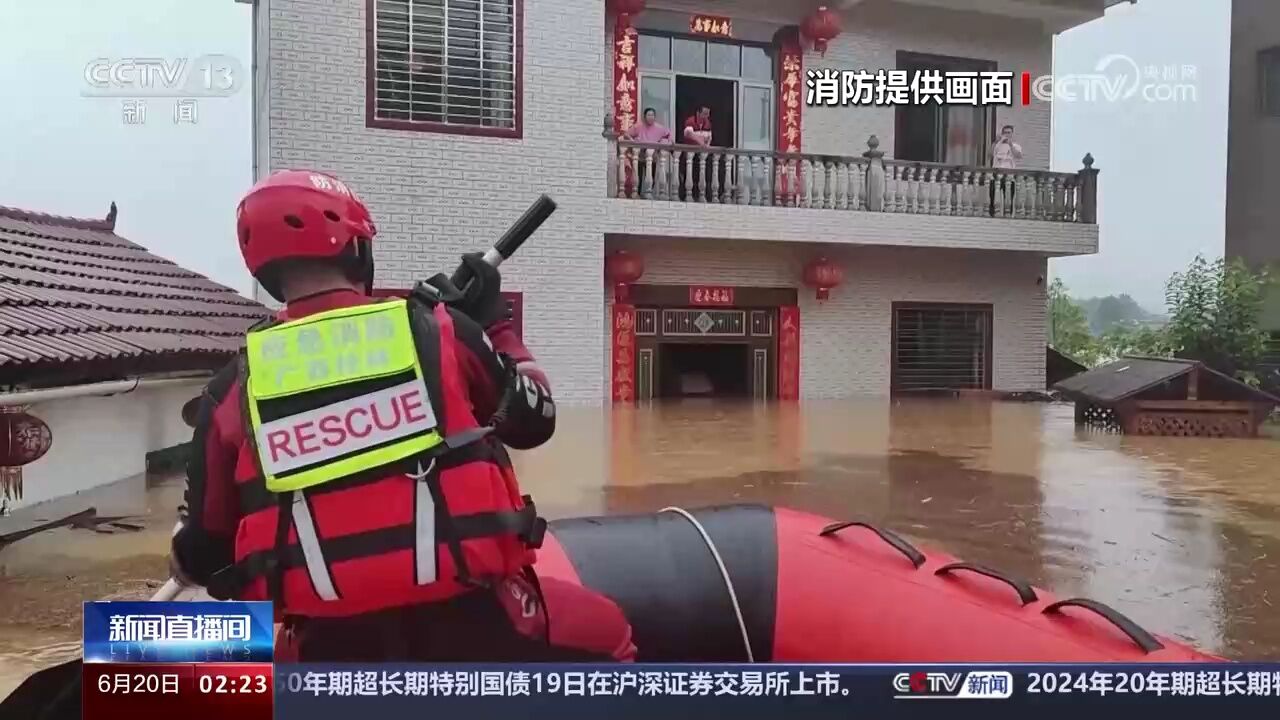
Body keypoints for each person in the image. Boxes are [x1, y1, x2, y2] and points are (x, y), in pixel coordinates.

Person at [170, 170, 637, 663]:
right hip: (477, 622)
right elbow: (534, 419)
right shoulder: (438, 329)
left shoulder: (231, 388)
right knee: (610, 632)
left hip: (326, 648)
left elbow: (205, 554)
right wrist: (494, 324)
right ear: (357, 249)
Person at [623, 108, 672, 196]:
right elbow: (626, 134)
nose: (651, 117)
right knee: (638, 177)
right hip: (640, 156)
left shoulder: (659, 128)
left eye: (652, 115)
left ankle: (647, 194)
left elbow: (669, 136)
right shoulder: (639, 126)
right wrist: (632, 140)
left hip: (652, 157)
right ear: (644, 117)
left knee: (650, 177)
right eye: (649, 115)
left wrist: (663, 142)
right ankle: (636, 194)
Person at [989, 124, 1023, 216]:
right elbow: (990, 154)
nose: (1007, 134)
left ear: (1012, 134)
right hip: (996, 174)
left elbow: (1019, 156)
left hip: (1009, 176)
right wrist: (996, 142)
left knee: (1009, 197)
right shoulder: (997, 145)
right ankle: (992, 214)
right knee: (993, 195)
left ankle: (1008, 214)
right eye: (1005, 132)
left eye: (1009, 133)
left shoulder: (1016, 146)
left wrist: (1010, 145)